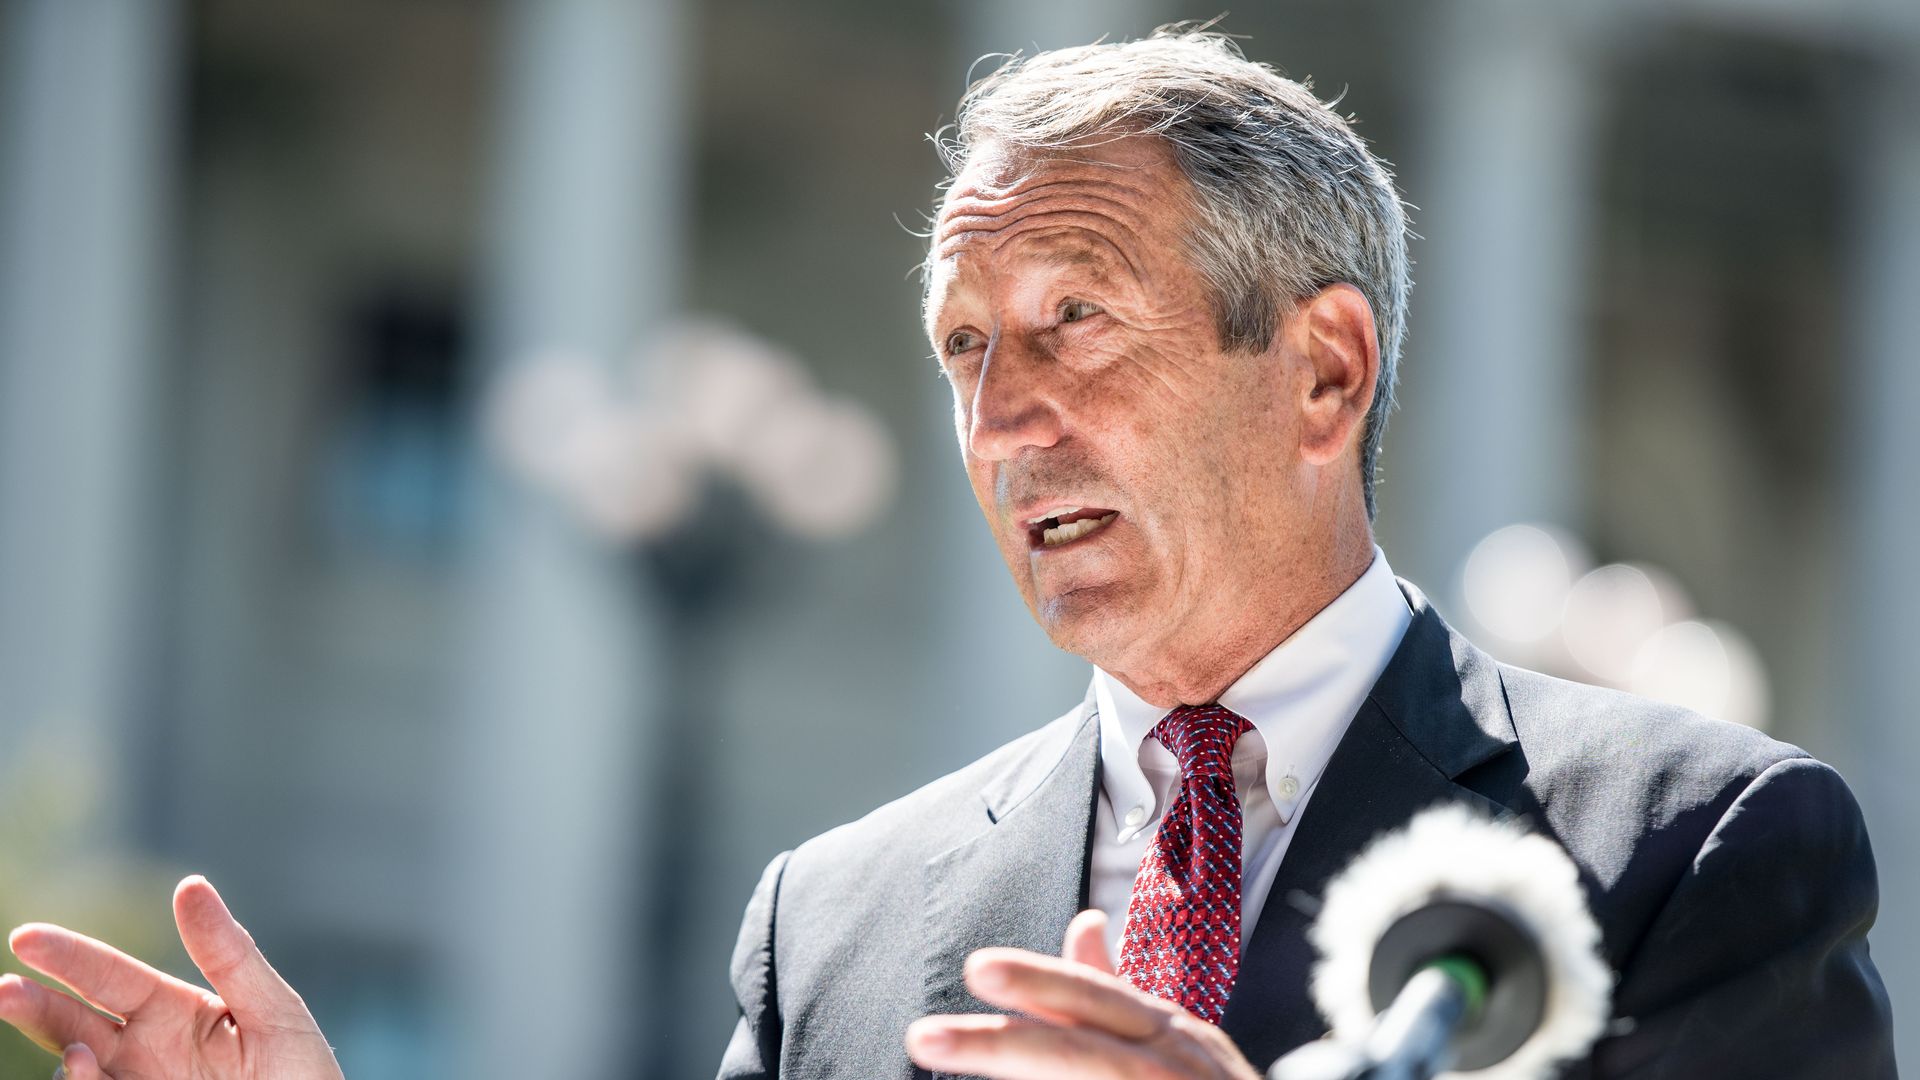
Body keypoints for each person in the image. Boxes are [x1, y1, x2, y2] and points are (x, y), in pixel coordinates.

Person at [0, 28, 1893, 1080]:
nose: (1004, 426)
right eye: (968, 354)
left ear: (1322, 374)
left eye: (1078, 324)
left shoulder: (1689, 850)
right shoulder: (831, 927)